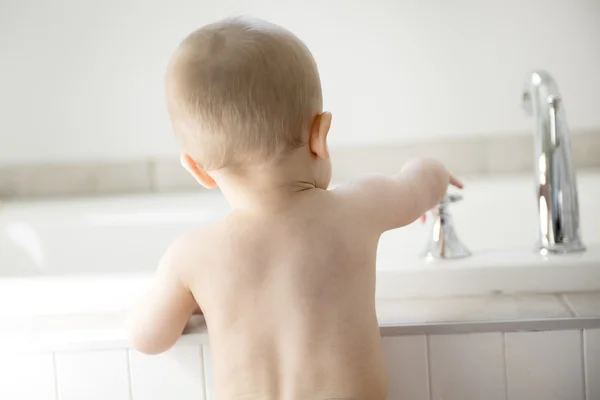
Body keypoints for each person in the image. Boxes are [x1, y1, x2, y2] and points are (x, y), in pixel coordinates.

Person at [128, 16, 462, 400]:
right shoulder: (358, 207)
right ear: (319, 136)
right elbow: (418, 184)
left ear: (197, 169)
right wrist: (434, 171)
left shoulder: (191, 256)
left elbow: (147, 337)